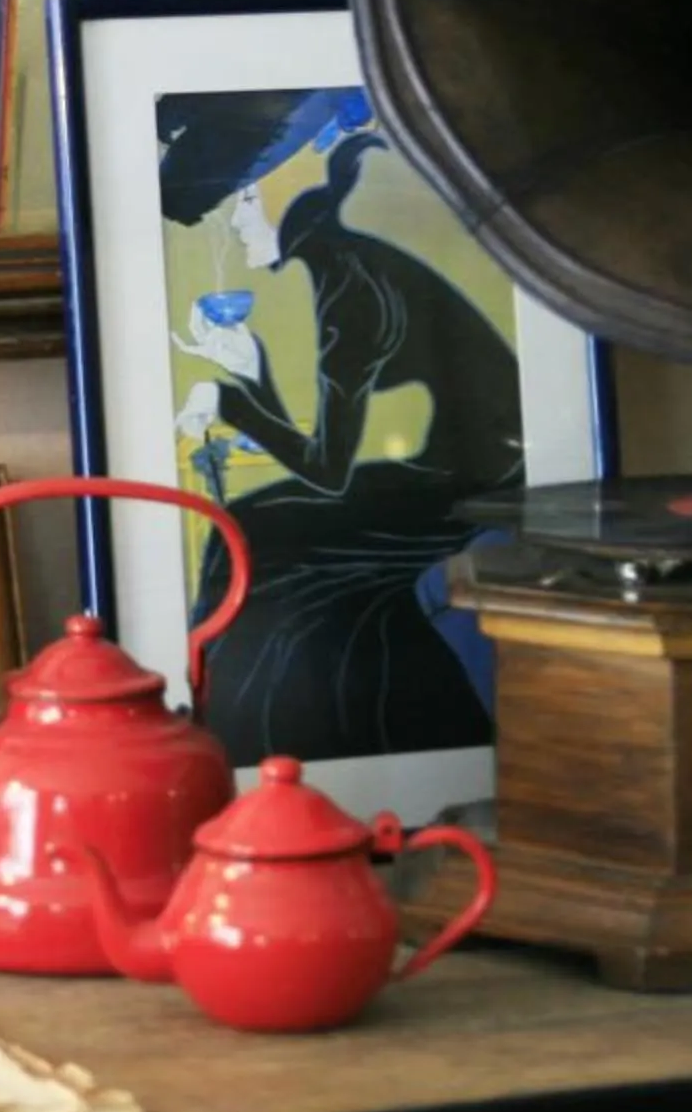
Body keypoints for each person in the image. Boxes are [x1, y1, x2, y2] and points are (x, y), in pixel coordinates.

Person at [160, 87, 521, 761]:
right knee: (255, 529)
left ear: (288, 193)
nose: (236, 224)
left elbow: (328, 469)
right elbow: (335, 460)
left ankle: (254, 752)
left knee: (266, 538)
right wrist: (252, 373)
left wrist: (232, 398)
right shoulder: (340, 262)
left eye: (245, 200)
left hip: (483, 483)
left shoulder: (348, 288)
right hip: (455, 470)